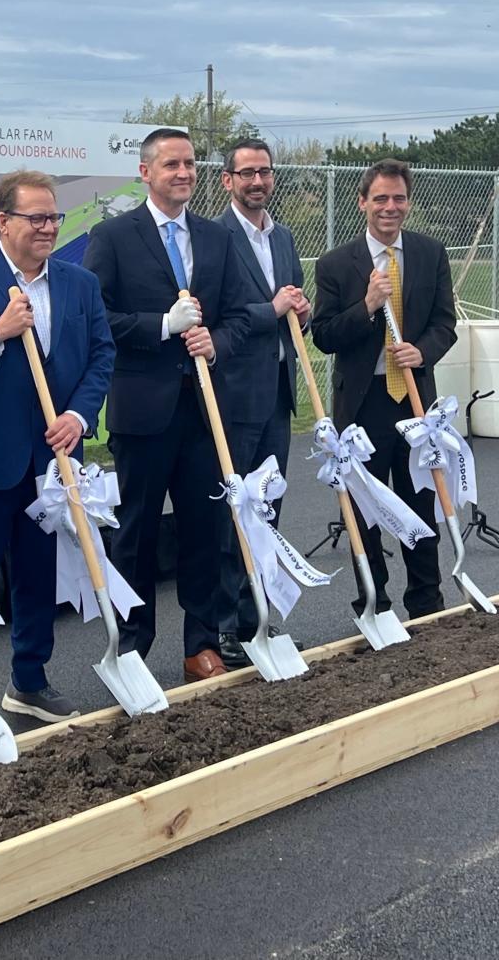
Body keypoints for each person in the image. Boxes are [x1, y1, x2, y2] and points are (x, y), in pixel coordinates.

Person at [0, 169, 114, 724]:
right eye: (36, 217)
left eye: (54, 217)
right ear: (2, 221)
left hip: (52, 460)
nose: (48, 227)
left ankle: (29, 681)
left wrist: (79, 416)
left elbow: (101, 355)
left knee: (40, 576)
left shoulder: (78, 283)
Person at [83, 128, 251, 682]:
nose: (183, 173)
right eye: (171, 164)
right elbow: (97, 319)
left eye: (190, 164)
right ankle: (131, 645)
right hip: (143, 409)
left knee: (204, 528)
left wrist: (215, 342)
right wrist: (160, 326)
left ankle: (200, 643)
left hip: (204, 410)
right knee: (138, 532)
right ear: (145, 172)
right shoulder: (113, 237)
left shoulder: (216, 238)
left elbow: (233, 317)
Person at [310, 157, 457, 619]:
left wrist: (423, 351)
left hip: (413, 401)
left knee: (420, 500)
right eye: (380, 199)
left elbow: (444, 323)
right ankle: (374, 605)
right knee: (367, 511)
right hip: (363, 405)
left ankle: (426, 602)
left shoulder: (430, 253)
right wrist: (368, 306)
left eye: (398, 198)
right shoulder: (337, 264)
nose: (389, 208)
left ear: (408, 203)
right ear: (362, 203)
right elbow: (325, 335)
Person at [213, 138, 311, 668]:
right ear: (227, 180)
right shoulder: (215, 238)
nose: (257, 182)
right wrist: (271, 308)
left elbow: (289, 308)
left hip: (277, 393)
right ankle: (227, 626)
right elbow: (223, 317)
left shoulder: (285, 236)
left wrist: (301, 309)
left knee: (269, 508)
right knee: (237, 509)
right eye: (246, 173)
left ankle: (259, 619)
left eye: (265, 173)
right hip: (234, 394)